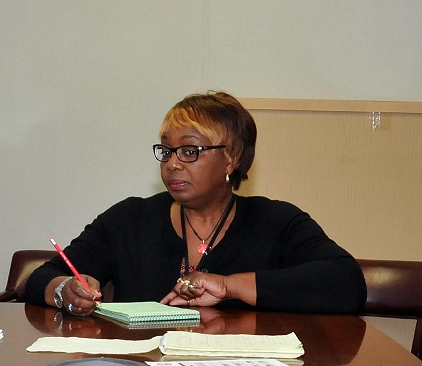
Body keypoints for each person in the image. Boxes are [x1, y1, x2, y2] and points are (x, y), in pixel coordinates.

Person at [24, 91, 366, 314]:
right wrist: (65, 291)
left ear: (231, 159)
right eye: (166, 150)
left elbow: (346, 283)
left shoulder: (275, 221)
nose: (172, 163)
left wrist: (229, 286)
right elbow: (44, 276)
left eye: (190, 151)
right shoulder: (130, 219)